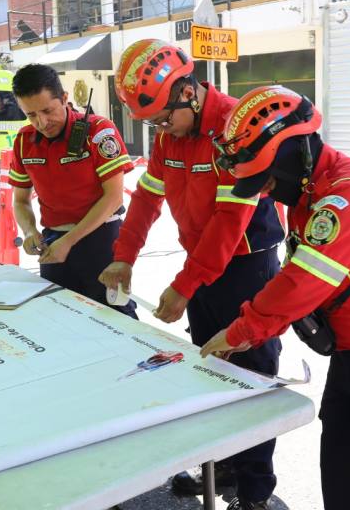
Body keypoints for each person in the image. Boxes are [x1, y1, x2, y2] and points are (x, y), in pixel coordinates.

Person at [201, 85, 350, 510]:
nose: (265, 192)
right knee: (342, 480)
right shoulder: (310, 192)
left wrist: (239, 333)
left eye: (269, 180)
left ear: (297, 154)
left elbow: (300, 282)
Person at [98, 39, 284, 510]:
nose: (161, 130)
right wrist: (124, 255)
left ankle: (254, 491)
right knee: (210, 370)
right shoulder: (169, 136)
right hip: (201, 268)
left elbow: (228, 223)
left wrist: (184, 285)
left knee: (252, 378)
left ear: (188, 92)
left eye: (163, 118)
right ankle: (220, 465)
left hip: (246, 266)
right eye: (152, 123)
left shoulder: (235, 127)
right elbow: (147, 196)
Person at [8, 63, 136, 318]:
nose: (42, 122)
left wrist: (69, 240)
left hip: (102, 239)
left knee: (115, 315)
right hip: (53, 242)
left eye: (48, 110)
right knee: (59, 316)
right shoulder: (24, 142)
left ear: (65, 99)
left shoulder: (99, 131)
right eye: (31, 115)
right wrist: (30, 231)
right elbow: (20, 201)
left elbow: (113, 197)